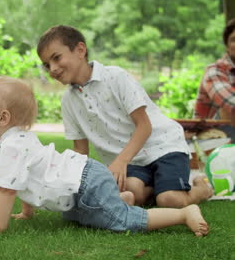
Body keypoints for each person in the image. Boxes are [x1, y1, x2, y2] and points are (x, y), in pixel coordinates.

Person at [0, 76, 209, 237]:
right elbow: (23, 179)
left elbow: (7, 190)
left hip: (86, 185)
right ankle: (121, 198)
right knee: (77, 216)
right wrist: (26, 212)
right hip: (83, 180)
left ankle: (182, 214)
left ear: (3, 118)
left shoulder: (11, 147)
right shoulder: (19, 138)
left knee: (122, 221)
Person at [36, 25, 213, 208]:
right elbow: (81, 151)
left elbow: (144, 126)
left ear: (80, 50)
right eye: (47, 65)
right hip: (133, 161)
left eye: (57, 58)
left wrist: (121, 161)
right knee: (131, 193)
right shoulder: (68, 101)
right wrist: (67, 183)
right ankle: (156, 186)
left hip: (163, 146)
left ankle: (201, 188)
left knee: (169, 200)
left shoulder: (115, 77)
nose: (53, 69)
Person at [194, 18, 235, 141]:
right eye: (234, 40)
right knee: (228, 110)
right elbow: (231, 102)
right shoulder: (215, 71)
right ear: (227, 47)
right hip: (210, 138)